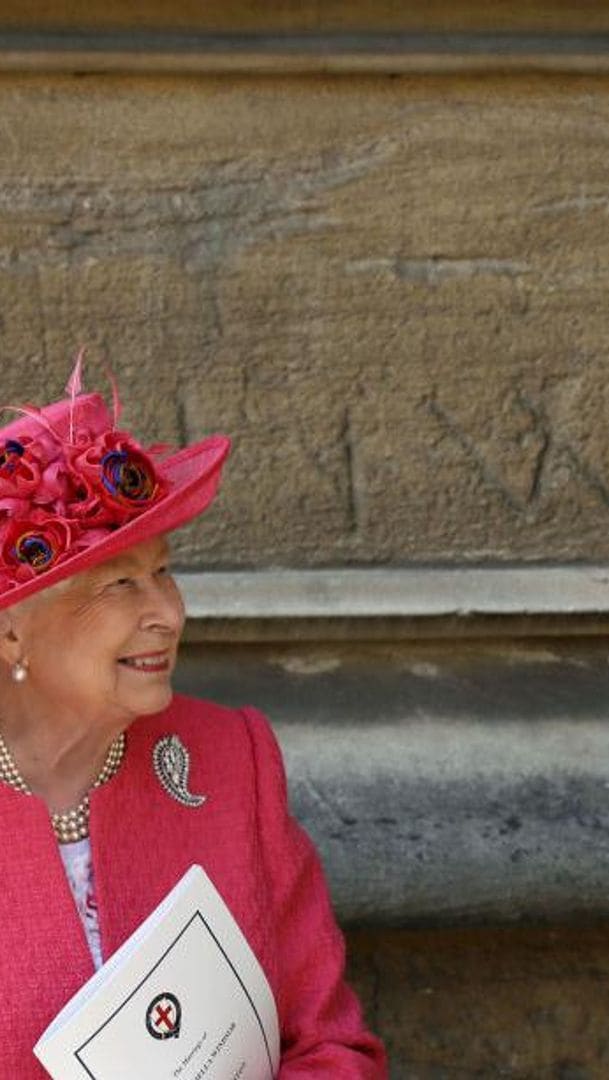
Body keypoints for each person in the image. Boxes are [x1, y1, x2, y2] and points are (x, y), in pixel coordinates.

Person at [0, 358, 387, 1077]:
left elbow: (335, 1049)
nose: (168, 614)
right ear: (12, 633)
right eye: (119, 584)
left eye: (164, 573)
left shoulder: (230, 760)